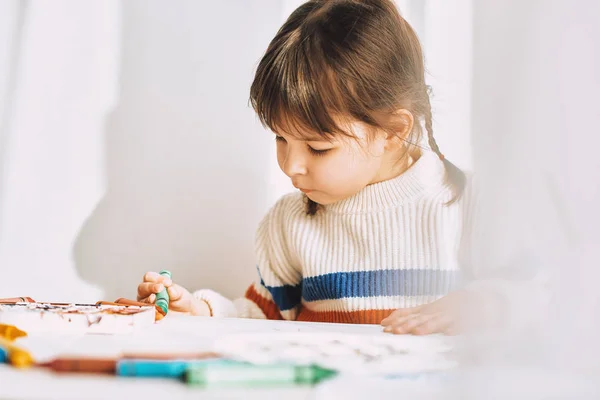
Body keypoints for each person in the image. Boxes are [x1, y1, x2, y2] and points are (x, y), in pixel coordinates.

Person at [136, 0, 474, 335]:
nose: (291, 165)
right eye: (281, 139)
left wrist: (488, 303)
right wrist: (197, 311)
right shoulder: (289, 223)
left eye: (317, 148)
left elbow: (523, 302)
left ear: (393, 131)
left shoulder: (470, 207)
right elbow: (262, 320)